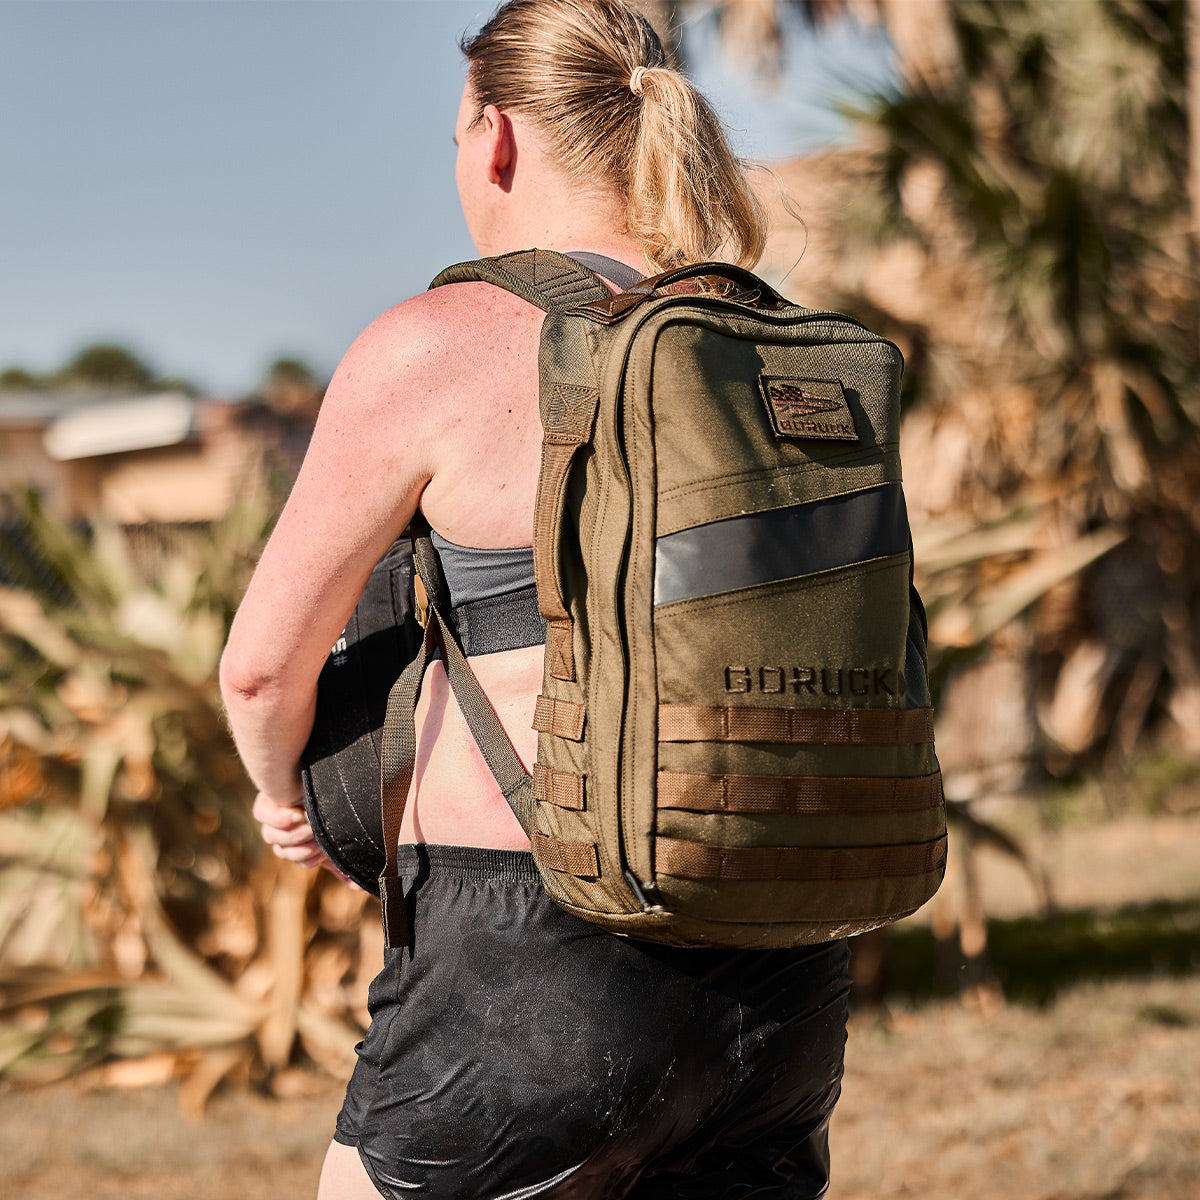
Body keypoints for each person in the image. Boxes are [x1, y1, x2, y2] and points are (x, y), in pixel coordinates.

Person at [219, 2, 851, 1196]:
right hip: (784, 978)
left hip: (529, 971)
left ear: (495, 136)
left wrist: (279, 796)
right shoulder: (771, 341)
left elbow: (260, 670)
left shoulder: (437, 343)